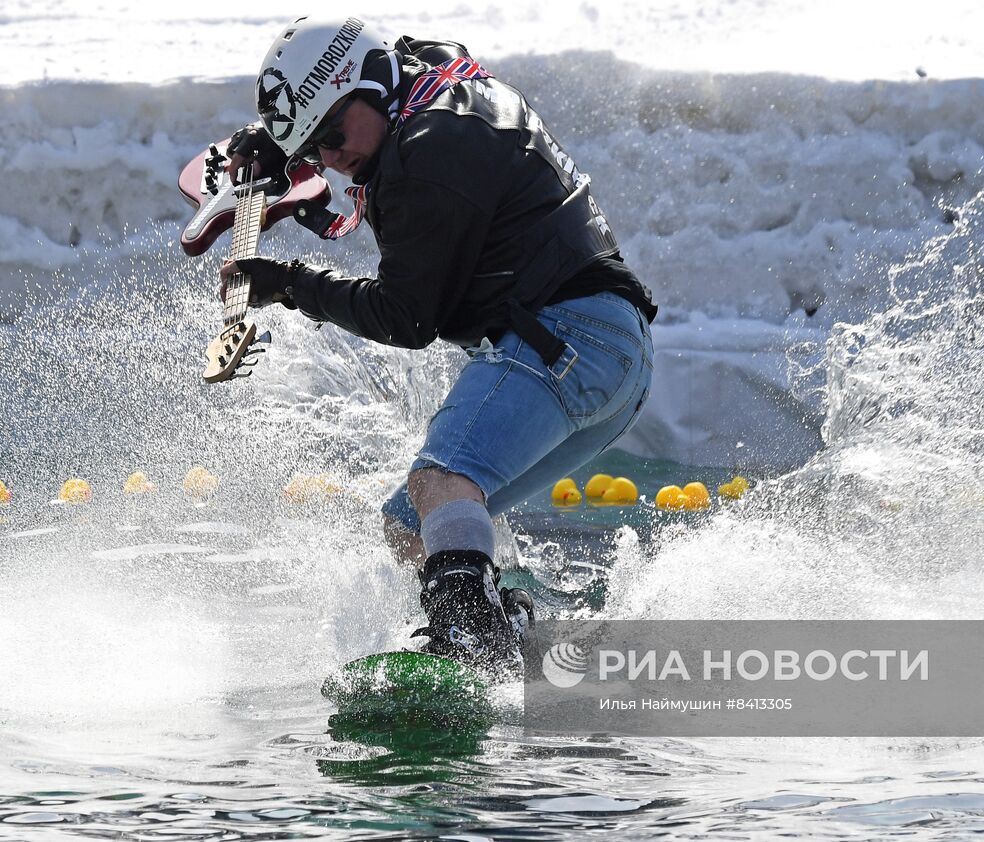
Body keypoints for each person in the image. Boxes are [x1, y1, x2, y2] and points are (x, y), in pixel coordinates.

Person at [218, 15, 656, 676]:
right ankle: (511, 640)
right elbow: (392, 58)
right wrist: (285, 142)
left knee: (441, 480)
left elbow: (406, 317)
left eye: (333, 136)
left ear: (367, 86)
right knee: (410, 524)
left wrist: (290, 284)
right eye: (315, 150)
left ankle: (471, 647)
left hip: (567, 337)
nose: (330, 160)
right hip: (610, 352)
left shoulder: (431, 154)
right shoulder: (422, 74)